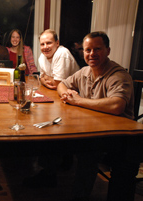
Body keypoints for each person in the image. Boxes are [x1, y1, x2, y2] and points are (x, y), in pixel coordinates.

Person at [58, 31, 141, 201]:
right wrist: (66, 94)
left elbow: (116, 105)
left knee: (87, 151)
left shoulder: (118, 75)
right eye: (87, 50)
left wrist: (78, 101)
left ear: (108, 50)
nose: (92, 54)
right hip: (95, 128)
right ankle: (51, 174)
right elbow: (62, 84)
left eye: (97, 49)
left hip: (120, 138)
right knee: (60, 137)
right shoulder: (85, 71)